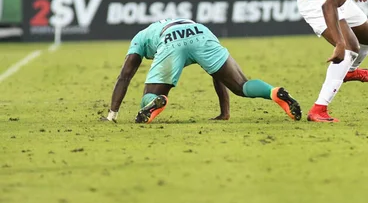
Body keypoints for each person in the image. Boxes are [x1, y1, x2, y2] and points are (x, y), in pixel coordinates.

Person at [101, 18, 302, 123]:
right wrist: (224, 112)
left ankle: (154, 103)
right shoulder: (168, 24)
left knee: (151, 95)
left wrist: (113, 114)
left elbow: (125, 76)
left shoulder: (140, 38)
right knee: (242, 85)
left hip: (171, 40)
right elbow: (216, 74)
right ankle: (274, 92)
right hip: (200, 31)